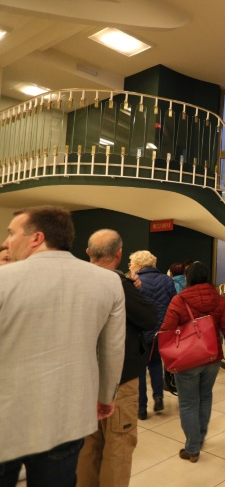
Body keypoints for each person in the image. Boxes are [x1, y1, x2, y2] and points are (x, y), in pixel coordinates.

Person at [0, 206, 125, 486]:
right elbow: (112, 349)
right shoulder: (109, 282)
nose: (7, 242)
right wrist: (106, 396)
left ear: (36, 238)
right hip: (67, 415)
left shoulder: (3, 280)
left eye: (11, 233)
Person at [78, 229, 156, 487]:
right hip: (119, 379)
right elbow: (149, 319)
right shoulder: (120, 285)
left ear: (88, 253)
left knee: (89, 445)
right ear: (120, 254)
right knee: (118, 446)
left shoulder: (77, 281)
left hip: (83, 377)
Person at [160, 261, 225, 462]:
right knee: (205, 397)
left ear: (188, 277)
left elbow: (167, 330)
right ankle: (200, 437)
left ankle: (193, 447)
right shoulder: (219, 299)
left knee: (188, 402)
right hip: (212, 356)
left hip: (187, 359)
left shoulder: (179, 300)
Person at [128, 250, 177, 420]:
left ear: (139, 265)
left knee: (140, 370)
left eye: (132, 263)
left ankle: (141, 408)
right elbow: (174, 304)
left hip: (142, 332)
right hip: (162, 332)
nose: (130, 266)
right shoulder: (167, 280)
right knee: (156, 363)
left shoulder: (135, 282)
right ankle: (159, 397)